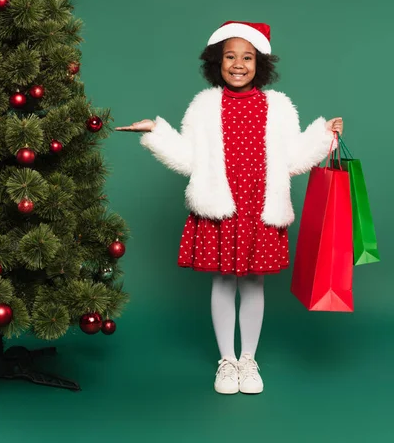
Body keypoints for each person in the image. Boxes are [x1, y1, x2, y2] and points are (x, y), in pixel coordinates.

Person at [116, 21, 343, 395]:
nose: (239, 64)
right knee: (223, 281)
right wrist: (155, 132)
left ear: (260, 63)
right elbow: (189, 158)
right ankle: (227, 362)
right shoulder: (204, 106)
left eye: (248, 57)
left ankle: (248, 360)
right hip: (220, 206)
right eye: (230, 56)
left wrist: (324, 135)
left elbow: (293, 159)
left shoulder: (279, 106)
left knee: (253, 282)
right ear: (217, 62)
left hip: (260, 206)